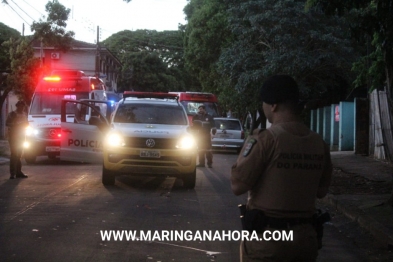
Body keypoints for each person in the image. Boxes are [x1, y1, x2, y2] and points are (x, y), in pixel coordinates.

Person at [230, 75, 332, 261]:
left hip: (269, 241)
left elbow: (237, 185)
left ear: (273, 105)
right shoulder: (319, 142)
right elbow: (321, 191)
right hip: (305, 240)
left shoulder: (265, 139)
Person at [6, 100, 29, 179]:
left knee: (19, 155)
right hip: (13, 137)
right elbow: (7, 123)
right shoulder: (12, 114)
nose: (22, 107)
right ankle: (12, 173)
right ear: (17, 106)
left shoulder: (24, 115)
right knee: (14, 154)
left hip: (21, 136)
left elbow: (27, 124)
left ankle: (19, 172)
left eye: (23, 106)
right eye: (20, 106)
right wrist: (16, 124)